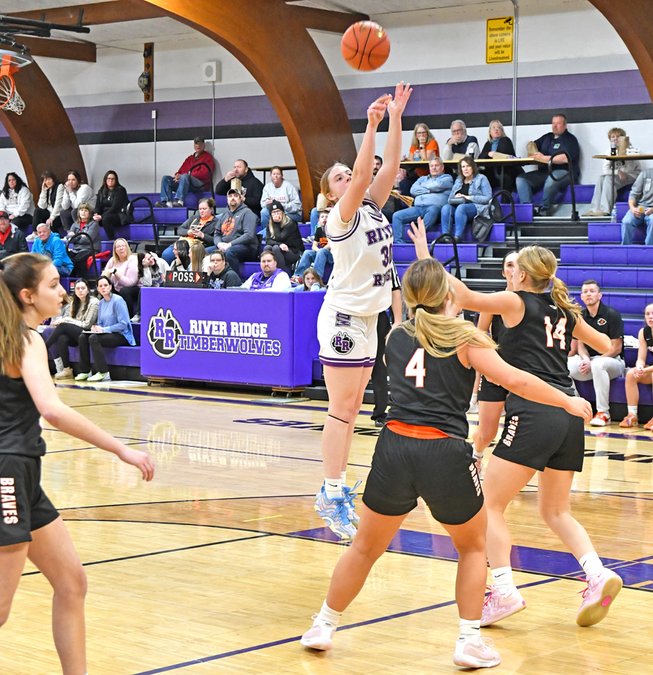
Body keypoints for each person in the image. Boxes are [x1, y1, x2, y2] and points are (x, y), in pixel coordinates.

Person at [301, 256, 592, 668]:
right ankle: (468, 642)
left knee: (364, 547)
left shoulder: (395, 336)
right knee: (472, 548)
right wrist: (566, 400)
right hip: (444, 452)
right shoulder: (466, 338)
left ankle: (323, 625)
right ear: (447, 294)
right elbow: (517, 380)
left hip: (394, 447)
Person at [410, 221, 622, 629]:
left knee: (488, 505)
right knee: (555, 510)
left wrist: (425, 256)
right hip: (569, 412)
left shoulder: (514, 301)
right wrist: (572, 334)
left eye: (514, 269)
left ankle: (504, 590)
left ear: (522, 275)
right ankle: (597, 574)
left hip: (536, 409)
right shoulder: (564, 311)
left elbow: (461, 295)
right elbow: (604, 345)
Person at [0, 254, 153, 674]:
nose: (63, 291)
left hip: (24, 474)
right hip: (8, 472)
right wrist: (120, 449)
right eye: (52, 285)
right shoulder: (25, 340)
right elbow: (52, 410)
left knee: (71, 581)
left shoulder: (17, 336)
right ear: (27, 296)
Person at [313, 82, 412, 540]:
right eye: (337, 178)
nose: (348, 179)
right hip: (344, 317)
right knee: (342, 409)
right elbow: (361, 176)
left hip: (370, 319)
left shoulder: (372, 208)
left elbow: (387, 167)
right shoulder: (340, 217)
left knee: (353, 409)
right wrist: (369, 125)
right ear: (331, 193)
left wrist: (395, 118)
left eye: (345, 175)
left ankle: (335, 490)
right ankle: (331, 492)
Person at [472, 251, 519, 469]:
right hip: (495, 372)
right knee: (487, 432)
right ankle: (476, 456)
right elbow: (480, 335)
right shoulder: (493, 301)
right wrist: (489, 367)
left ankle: (509, 470)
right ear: (503, 272)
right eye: (509, 264)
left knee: (519, 430)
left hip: (523, 374)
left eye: (517, 265)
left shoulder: (533, 303)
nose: (513, 269)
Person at [568, 280, 624, 427]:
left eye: (592, 291)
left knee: (598, 364)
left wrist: (593, 362)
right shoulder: (579, 316)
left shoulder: (612, 314)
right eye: (585, 292)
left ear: (600, 295)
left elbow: (616, 348)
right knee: (563, 365)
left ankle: (603, 413)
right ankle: (579, 409)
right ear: (581, 296)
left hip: (613, 361)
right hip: (591, 361)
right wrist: (585, 359)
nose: (588, 294)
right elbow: (580, 345)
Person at [516, 114, 581, 216]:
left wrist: (544, 158)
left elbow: (565, 158)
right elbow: (532, 144)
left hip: (565, 172)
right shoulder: (547, 137)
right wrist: (532, 149)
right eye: (553, 123)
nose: (554, 126)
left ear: (565, 125)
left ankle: (544, 209)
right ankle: (527, 210)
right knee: (521, 179)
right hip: (544, 172)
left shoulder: (570, 139)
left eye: (558, 123)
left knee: (551, 179)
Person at [75, 275, 136, 382]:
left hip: (122, 335)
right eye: (100, 286)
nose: (103, 288)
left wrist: (104, 329)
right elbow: (100, 323)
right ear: (98, 289)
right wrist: (96, 327)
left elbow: (123, 324)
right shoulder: (101, 303)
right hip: (107, 334)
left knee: (93, 338)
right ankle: (85, 371)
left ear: (110, 287)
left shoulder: (118, 300)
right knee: (83, 337)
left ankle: (103, 372)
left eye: (106, 285)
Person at [46, 278, 99, 380]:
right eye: (78, 288)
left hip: (87, 333)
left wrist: (66, 320)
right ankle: (67, 370)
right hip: (77, 335)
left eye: (83, 288)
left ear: (88, 289)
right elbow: (71, 321)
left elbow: (87, 325)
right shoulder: (74, 302)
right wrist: (66, 320)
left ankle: (44, 347)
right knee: (62, 338)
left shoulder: (94, 302)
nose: (80, 290)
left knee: (63, 325)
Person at [392, 157, 453, 243]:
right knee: (397, 216)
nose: (434, 168)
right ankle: (398, 242)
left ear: (442, 167)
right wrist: (430, 190)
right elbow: (413, 190)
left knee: (433, 210)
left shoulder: (447, 178)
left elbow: (438, 185)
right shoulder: (422, 179)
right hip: (418, 207)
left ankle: (417, 237)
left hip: (434, 207)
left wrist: (422, 187)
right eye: (431, 166)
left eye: (436, 165)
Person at [584, 128, 640, 217]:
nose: (615, 139)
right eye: (613, 137)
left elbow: (629, 169)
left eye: (618, 136)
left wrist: (619, 171)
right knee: (601, 178)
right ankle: (595, 209)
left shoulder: (630, 149)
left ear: (623, 138)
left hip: (632, 175)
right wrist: (618, 172)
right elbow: (605, 170)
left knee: (609, 179)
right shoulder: (610, 150)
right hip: (619, 175)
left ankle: (605, 210)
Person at [440, 156, 492, 242]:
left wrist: (468, 197)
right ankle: (445, 236)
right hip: (458, 206)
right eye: (463, 167)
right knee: (446, 208)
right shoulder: (459, 180)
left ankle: (458, 237)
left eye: (468, 166)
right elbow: (449, 199)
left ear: (473, 167)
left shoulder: (481, 178)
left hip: (477, 207)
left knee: (461, 208)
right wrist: (456, 197)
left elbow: (488, 198)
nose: (465, 169)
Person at [619, 303, 653, 429]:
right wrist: (639, 367)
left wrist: (646, 370)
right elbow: (641, 358)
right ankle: (632, 415)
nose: (650, 317)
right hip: (650, 369)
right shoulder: (643, 332)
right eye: (647, 314)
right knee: (631, 374)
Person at [212, 187, 259, 275]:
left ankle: (234, 279)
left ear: (240, 199)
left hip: (246, 247)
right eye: (230, 196)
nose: (232, 198)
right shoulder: (224, 214)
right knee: (205, 251)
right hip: (225, 245)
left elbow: (249, 235)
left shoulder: (248, 213)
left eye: (236, 196)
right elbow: (217, 234)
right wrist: (219, 244)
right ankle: (211, 279)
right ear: (227, 200)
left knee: (230, 252)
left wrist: (230, 244)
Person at [156, 136, 215, 207]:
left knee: (185, 176)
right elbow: (180, 171)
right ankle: (167, 202)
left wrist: (187, 175)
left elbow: (205, 174)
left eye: (200, 144)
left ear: (204, 145)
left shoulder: (208, 157)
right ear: (194, 145)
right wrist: (177, 176)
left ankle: (179, 201)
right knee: (166, 178)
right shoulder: (190, 158)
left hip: (200, 184)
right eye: (196, 144)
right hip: (186, 183)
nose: (198, 146)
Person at [161, 197, 219, 264]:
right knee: (166, 254)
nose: (201, 211)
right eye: (200, 209)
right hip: (183, 244)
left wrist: (202, 235)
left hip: (197, 246)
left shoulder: (216, 222)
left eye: (204, 209)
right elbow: (180, 230)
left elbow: (216, 240)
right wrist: (188, 232)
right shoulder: (194, 218)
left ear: (211, 209)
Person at [263, 200, 304, 273]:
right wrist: (280, 244)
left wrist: (276, 224)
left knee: (276, 248)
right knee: (267, 248)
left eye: (278, 211)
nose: (276, 214)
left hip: (295, 252)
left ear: (282, 212)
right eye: (274, 212)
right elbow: (268, 241)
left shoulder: (290, 223)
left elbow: (279, 238)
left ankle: (281, 274)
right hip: (282, 250)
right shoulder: (269, 225)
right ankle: (268, 272)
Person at [478, 120, 519, 192]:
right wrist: (488, 154)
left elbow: (503, 154)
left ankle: (505, 199)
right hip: (492, 172)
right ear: (490, 132)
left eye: (499, 128)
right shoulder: (488, 143)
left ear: (502, 131)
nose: (496, 129)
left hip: (506, 171)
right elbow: (480, 157)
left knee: (505, 177)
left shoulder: (505, 140)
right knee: (479, 175)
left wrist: (494, 154)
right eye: (494, 128)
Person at [103, 238, 139, 318]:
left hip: (134, 288)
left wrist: (116, 273)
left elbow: (130, 283)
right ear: (115, 250)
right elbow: (103, 277)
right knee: (103, 288)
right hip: (117, 288)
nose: (121, 248)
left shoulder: (133, 259)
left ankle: (129, 317)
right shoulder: (112, 260)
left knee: (124, 291)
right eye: (118, 247)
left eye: (123, 246)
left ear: (127, 247)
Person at [293, 207, 330, 281]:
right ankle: (298, 276)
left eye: (327, 217)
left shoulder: (333, 229)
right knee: (307, 252)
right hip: (322, 253)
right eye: (322, 217)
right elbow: (314, 246)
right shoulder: (319, 230)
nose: (324, 218)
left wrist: (320, 251)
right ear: (318, 220)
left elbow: (331, 245)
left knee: (322, 251)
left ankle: (316, 278)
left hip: (332, 255)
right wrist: (318, 250)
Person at [66, 202, 101, 278]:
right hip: (77, 249)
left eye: (86, 211)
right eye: (81, 210)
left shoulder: (94, 224)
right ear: (78, 212)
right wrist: (80, 236)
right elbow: (69, 239)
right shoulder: (75, 224)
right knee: (67, 256)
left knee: (78, 258)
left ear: (89, 213)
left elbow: (87, 239)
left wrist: (75, 236)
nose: (83, 212)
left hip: (90, 249)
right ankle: (74, 279)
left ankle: (81, 279)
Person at [620, 167, 653, 245]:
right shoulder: (645, 173)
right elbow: (633, 194)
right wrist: (632, 208)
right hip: (641, 207)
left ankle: (649, 249)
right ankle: (625, 248)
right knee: (627, 221)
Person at [93, 169, 129, 239]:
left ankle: (112, 240)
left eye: (113, 179)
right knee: (89, 217)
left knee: (106, 219)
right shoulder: (101, 190)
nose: (110, 180)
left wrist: (102, 216)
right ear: (105, 180)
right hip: (104, 214)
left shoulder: (120, 190)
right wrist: (96, 214)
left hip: (118, 215)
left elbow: (115, 208)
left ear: (116, 180)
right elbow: (98, 205)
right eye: (109, 178)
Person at [32, 170, 64, 236]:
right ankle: (35, 233)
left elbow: (58, 204)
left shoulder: (59, 186)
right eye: (45, 180)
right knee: (37, 211)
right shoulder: (47, 189)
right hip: (49, 212)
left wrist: (51, 218)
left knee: (51, 223)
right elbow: (41, 206)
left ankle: (56, 238)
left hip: (58, 213)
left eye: (49, 179)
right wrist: (43, 191)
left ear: (53, 179)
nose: (47, 182)